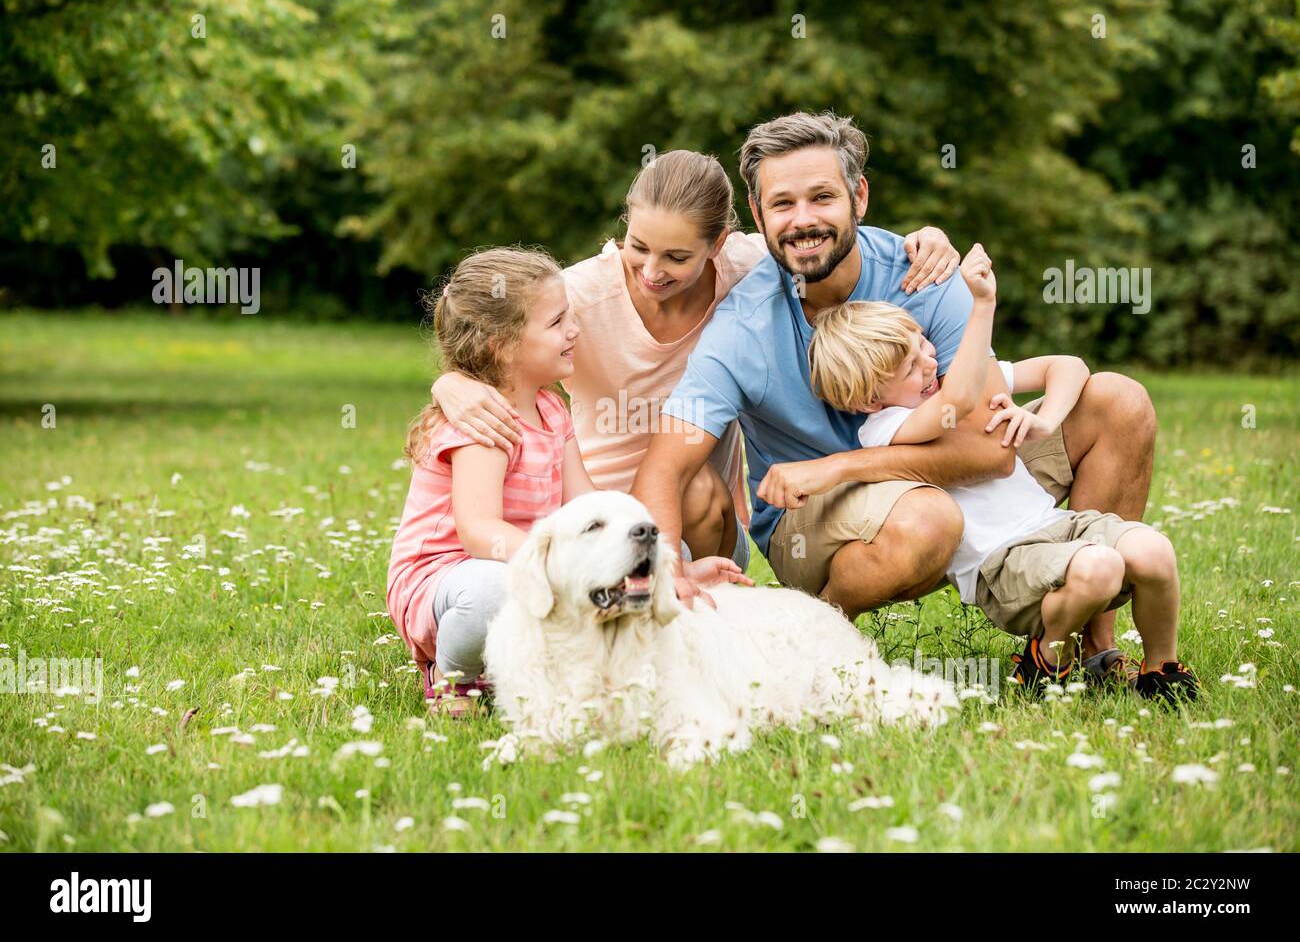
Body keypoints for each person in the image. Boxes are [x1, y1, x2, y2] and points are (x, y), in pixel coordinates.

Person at [633, 111, 1158, 687]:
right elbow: (665, 467)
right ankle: (819, 645)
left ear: (858, 196)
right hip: (818, 521)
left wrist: (838, 466)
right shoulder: (743, 328)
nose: (803, 220)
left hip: (927, 475)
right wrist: (665, 568)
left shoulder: (924, 277)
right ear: (757, 215)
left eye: (822, 197)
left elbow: (991, 454)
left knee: (1118, 402)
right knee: (928, 517)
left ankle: (1089, 646)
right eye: (782, 204)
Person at [429, 150, 959, 574]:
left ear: (718, 244)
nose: (651, 272)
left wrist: (927, 237)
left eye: (678, 257)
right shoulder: (577, 297)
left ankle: (699, 605)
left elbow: (818, 231)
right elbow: (485, 326)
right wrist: (450, 382)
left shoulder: (748, 271)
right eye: (638, 247)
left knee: (697, 484)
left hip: (703, 518)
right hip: (593, 511)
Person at [806, 246, 1199, 701]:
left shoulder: (947, 385)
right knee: (1101, 567)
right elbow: (956, 401)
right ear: (869, 401)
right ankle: (1045, 660)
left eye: (924, 344)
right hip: (1002, 563)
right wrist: (981, 306)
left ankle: (1161, 672)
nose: (931, 363)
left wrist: (1045, 420)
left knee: (1155, 551)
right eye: (911, 368)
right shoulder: (885, 428)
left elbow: (1068, 366)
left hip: (1057, 526)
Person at [386, 247, 744, 717]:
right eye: (557, 323)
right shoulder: (484, 424)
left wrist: (663, 567)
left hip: (521, 564)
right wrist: (557, 565)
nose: (574, 330)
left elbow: (590, 505)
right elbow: (477, 532)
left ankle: (530, 660)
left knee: (629, 560)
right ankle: (455, 679)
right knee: (496, 590)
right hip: (448, 579)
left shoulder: (552, 410)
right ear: (502, 344)